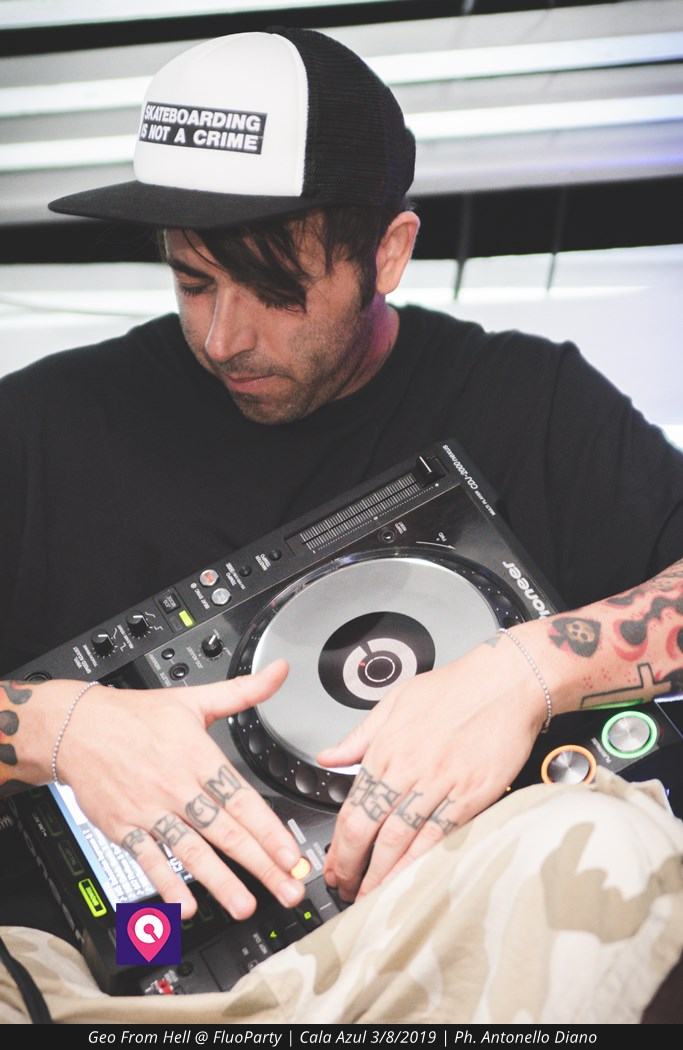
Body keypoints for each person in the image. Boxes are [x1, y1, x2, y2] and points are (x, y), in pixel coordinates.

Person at [1, 27, 682, 1023]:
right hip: (77, 989)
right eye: (192, 280)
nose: (223, 337)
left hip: (431, 961)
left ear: (388, 252)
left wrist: (530, 670)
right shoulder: (37, 429)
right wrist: (57, 729)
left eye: (277, 290)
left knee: (611, 842)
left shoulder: (529, 404)